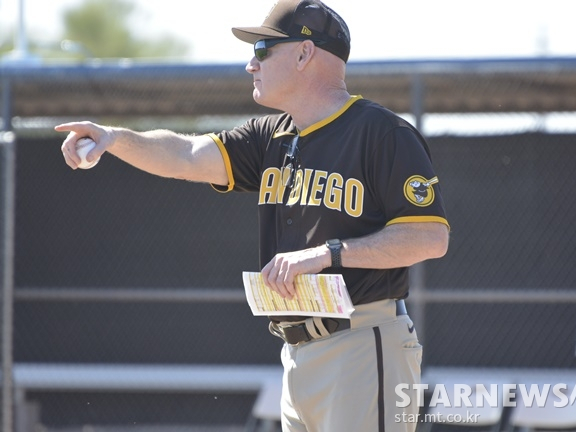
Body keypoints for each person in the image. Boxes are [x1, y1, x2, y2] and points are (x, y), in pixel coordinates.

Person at [55, 1, 450, 430]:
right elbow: (187, 154)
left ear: (304, 54)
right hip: (297, 354)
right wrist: (114, 138)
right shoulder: (272, 136)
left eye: (262, 48)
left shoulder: (381, 133)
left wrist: (326, 254)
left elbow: (429, 236)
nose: (250, 64)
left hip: (362, 341)